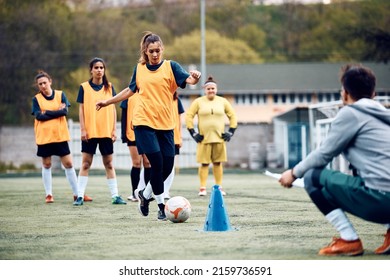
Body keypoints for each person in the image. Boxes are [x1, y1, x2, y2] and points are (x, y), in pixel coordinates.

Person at [279, 64, 390, 256]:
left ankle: (349, 239)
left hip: (381, 201)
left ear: (345, 93)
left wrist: (293, 172)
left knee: (313, 177)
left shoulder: (351, 113)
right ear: (373, 93)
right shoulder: (384, 115)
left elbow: (323, 154)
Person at [96, 32, 201, 220]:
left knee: (167, 167)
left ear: (162, 49)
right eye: (151, 51)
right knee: (157, 163)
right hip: (143, 122)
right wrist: (108, 101)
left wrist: (195, 77)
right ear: (145, 51)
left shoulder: (171, 67)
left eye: (158, 50)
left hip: (166, 124)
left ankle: (144, 195)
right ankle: (161, 206)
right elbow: (130, 90)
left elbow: (190, 81)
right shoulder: (140, 69)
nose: (155, 54)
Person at [31, 70, 92, 204]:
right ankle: (49, 194)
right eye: (40, 84)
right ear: (38, 85)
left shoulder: (60, 95)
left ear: (50, 82)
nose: (43, 86)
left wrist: (46, 112)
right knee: (46, 164)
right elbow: (38, 116)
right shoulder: (36, 99)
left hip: (60, 136)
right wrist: (55, 112)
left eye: (44, 83)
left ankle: (77, 194)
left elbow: (64, 111)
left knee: (69, 164)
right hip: (44, 137)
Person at [73, 57, 127, 206]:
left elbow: (114, 109)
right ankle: (80, 196)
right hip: (90, 132)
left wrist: (114, 129)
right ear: (91, 70)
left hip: (106, 132)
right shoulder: (84, 87)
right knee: (85, 164)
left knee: (109, 164)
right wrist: (83, 129)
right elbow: (82, 109)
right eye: (96, 67)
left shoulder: (109, 87)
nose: (99, 70)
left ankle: (115, 196)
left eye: (101, 67)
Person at [185, 75, 238, 196]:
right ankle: (202, 188)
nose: (211, 91)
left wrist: (231, 131)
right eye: (208, 89)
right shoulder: (198, 102)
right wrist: (193, 132)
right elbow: (189, 116)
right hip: (204, 139)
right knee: (204, 163)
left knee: (218, 163)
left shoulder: (223, 101)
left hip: (219, 138)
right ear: (205, 90)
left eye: (213, 88)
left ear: (216, 89)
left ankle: (218, 187)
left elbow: (232, 115)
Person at [120, 94, 151, 202]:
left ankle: (147, 193)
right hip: (132, 134)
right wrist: (124, 135)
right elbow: (124, 117)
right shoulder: (128, 96)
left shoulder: (149, 94)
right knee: (136, 163)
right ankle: (134, 193)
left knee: (148, 162)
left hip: (147, 133)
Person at [163, 91, 185, 200]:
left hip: (173, 137)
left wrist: (179, 137)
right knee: (156, 163)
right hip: (160, 134)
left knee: (170, 165)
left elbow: (179, 120)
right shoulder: (159, 97)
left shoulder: (177, 101)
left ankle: (166, 190)